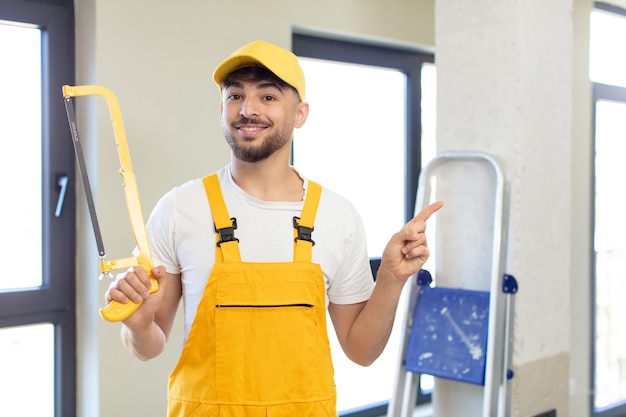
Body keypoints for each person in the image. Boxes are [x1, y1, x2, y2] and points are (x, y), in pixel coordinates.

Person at [105, 39, 443, 417]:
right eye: (236, 96)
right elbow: (150, 346)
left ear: (300, 114)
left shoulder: (337, 216)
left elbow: (361, 351)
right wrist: (136, 326)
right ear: (221, 110)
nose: (248, 109)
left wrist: (392, 279)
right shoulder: (179, 208)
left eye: (268, 97)